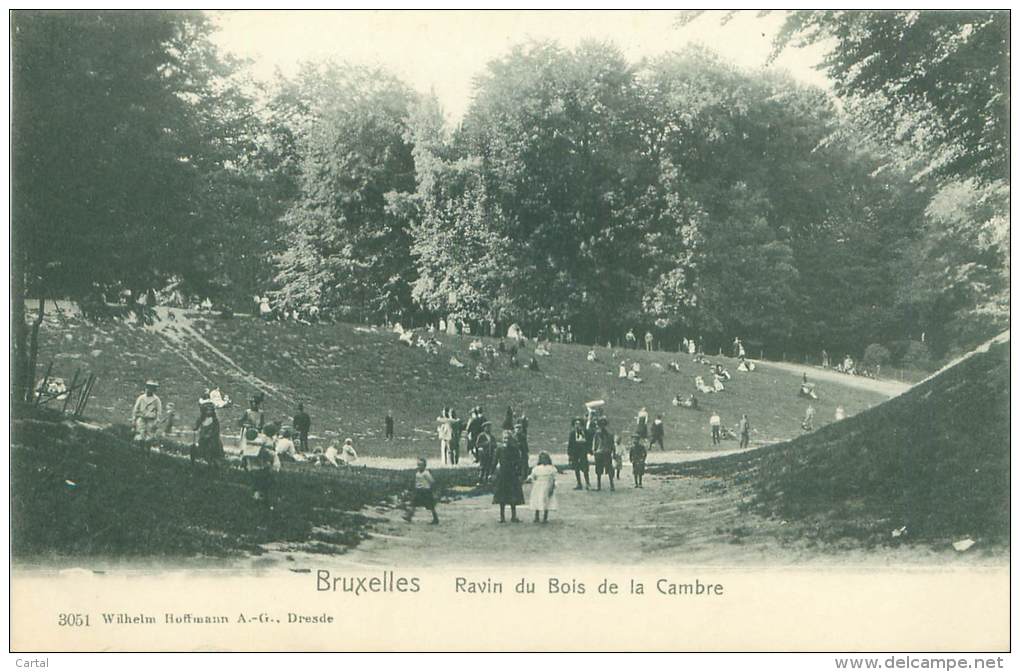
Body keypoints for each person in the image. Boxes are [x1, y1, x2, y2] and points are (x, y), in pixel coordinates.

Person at [492, 430, 525, 523]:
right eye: (504, 438)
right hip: (502, 474)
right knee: (502, 496)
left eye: (508, 438)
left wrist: (519, 473)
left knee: (513, 496)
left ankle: (513, 516)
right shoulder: (499, 449)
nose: (506, 440)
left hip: (512, 474)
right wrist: (492, 472)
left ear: (511, 439)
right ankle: (502, 517)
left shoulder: (514, 449)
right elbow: (494, 461)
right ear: (502, 439)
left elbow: (519, 462)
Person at [405, 458, 440, 524]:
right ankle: (409, 516)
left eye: (421, 465)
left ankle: (435, 519)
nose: (419, 466)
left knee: (430, 506)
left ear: (424, 466)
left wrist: (433, 490)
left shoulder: (426, 473)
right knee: (414, 503)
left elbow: (432, 481)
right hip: (419, 491)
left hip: (426, 491)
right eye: (418, 465)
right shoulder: (417, 473)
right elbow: (416, 482)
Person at [132, 380, 162, 454]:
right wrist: (134, 419)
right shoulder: (141, 398)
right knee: (141, 435)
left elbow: (159, 411)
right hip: (142, 418)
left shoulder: (156, 399)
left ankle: (148, 451)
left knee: (149, 437)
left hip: (151, 420)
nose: (149, 390)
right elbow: (136, 408)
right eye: (148, 388)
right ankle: (141, 450)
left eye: (152, 388)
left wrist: (157, 421)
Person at [191, 399, 224, 467]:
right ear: (204, 411)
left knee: (211, 449)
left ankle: (213, 462)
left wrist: (209, 435)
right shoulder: (201, 419)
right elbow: (196, 426)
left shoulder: (215, 420)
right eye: (207, 410)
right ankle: (200, 460)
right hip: (203, 438)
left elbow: (216, 431)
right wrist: (195, 428)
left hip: (213, 440)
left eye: (210, 410)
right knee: (197, 447)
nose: (209, 412)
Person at [527, 452, 558, 523]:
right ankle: (536, 516)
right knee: (537, 500)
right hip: (538, 486)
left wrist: (552, 487)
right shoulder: (536, 468)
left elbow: (554, 478)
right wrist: (529, 479)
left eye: (545, 459)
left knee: (546, 501)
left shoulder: (551, 468)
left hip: (547, 485)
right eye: (542, 459)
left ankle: (545, 517)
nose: (543, 460)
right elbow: (533, 476)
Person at [591, 417, 616, 492]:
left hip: (606, 453)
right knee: (599, 470)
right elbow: (594, 444)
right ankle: (599, 486)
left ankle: (611, 485)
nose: (602, 426)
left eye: (603, 425)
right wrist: (594, 451)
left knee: (609, 470)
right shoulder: (597, 434)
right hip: (600, 453)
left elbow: (612, 445)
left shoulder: (609, 434)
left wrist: (613, 452)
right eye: (601, 425)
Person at [567, 417, 591, 490]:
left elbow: (589, 442)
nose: (577, 426)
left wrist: (589, 450)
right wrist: (569, 454)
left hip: (583, 452)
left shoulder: (586, 432)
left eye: (579, 424)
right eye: (576, 424)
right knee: (576, 468)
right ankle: (579, 483)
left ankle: (587, 483)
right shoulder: (572, 433)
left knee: (585, 468)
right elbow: (570, 444)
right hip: (575, 453)